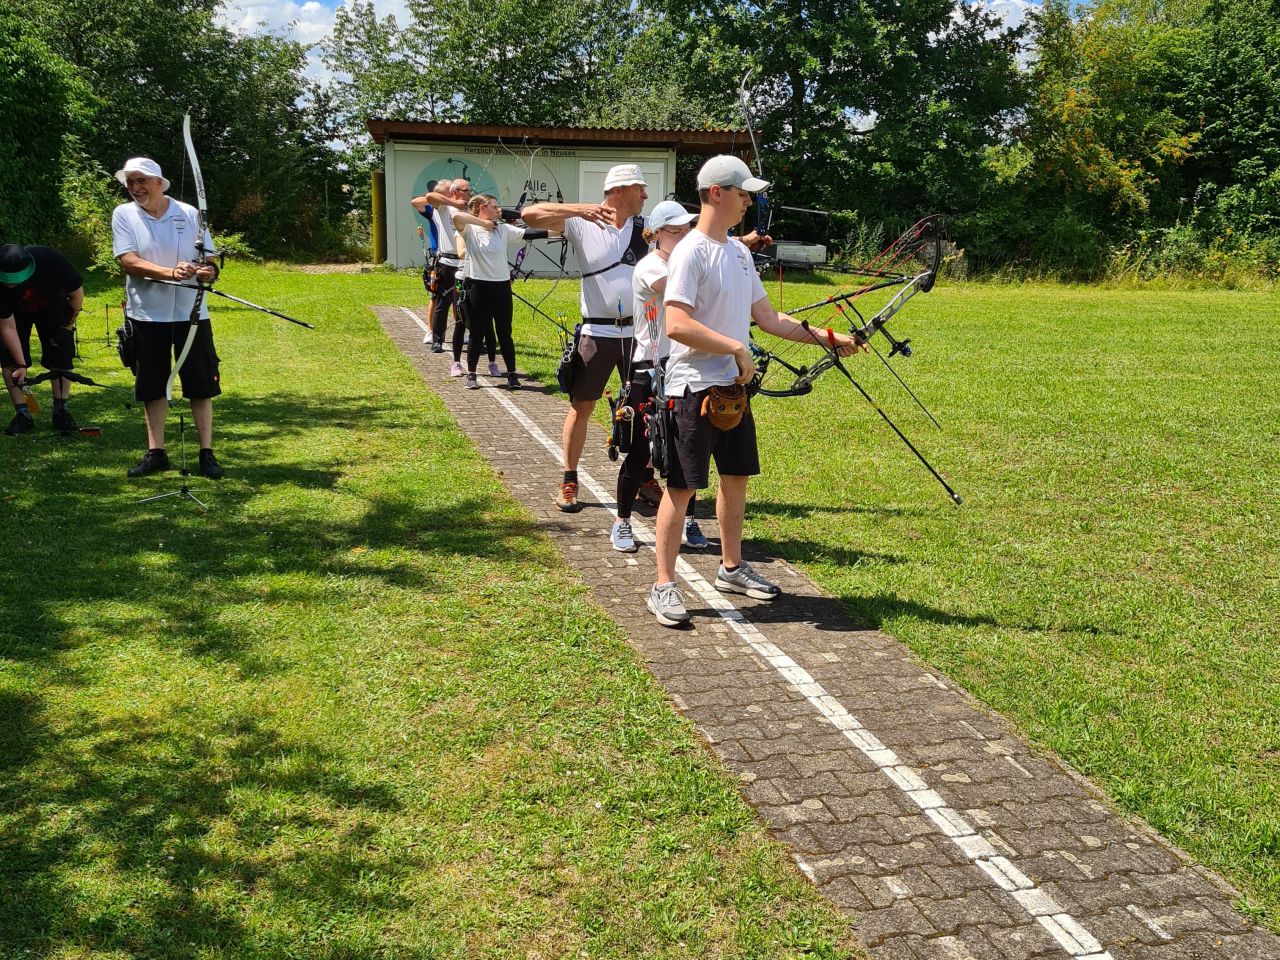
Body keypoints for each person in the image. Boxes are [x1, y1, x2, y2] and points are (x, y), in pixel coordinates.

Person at [647, 155, 864, 627]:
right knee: (682, 488)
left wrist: (830, 338)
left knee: (736, 478)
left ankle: (731, 568)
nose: (749, 201)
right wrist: (735, 348)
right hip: (693, 389)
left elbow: (768, 319)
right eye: (743, 193)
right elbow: (677, 323)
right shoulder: (690, 251)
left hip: (733, 389)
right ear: (717, 193)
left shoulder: (738, 253)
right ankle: (663, 584)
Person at [522, 163, 650, 513]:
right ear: (619, 191)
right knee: (582, 407)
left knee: (645, 409)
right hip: (597, 333)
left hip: (639, 333)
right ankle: (569, 479)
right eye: (639, 188)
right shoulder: (580, 222)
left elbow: (687, 240)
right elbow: (530, 214)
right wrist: (580, 210)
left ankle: (645, 477)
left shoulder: (645, 227)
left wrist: (742, 243)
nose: (645, 195)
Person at [111, 156, 223, 479]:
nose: (135, 188)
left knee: (201, 385)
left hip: (192, 314)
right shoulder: (124, 214)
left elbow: (210, 259)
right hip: (147, 315)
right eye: (130, 182)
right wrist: (170, 272)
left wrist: (208, 271)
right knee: (152, 386)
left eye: (141, 181)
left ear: (159, 183)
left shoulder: (189, 213)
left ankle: (206, 453)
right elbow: (129, 261)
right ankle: (156, 453)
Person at [611, 200, 707, 553]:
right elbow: (681, 286)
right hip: (649, 368)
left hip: (683, 365)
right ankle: (622, 521)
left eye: (687, 231)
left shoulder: (685, 262)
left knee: (687, 449)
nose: (683, 236)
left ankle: (688, 519)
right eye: (676, 231)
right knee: (640, 451)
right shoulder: (650, 266)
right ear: (655, 234)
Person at [452, 194, 549, 389]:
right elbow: (457, 217)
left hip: (501, 288)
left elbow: (529, 233)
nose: (499, 211)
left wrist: (561, 231)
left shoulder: (503, 229)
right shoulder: (470, 229)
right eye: (494, 207)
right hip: (477, 287)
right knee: (477, 333)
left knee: (505, 333)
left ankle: (512, 374)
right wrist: (483, 223)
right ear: (482, 207)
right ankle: (471, 374)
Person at [412, 179, 497, 374]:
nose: (468, 193)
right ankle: (437, 340)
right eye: (465, 190)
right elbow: (427, 197)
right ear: (455, 191)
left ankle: (476, 339)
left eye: (469, 190)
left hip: (468, 262)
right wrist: (454, 203)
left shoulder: (471, 208)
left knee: (471, 304)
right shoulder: (443, 206)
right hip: (447, 262)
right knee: (443, 302)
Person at [0, 244, 84, 436]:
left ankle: (61, 410)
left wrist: (66, 327)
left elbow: (77, 294)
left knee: (61, 353)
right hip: (15, 314)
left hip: (53, 307)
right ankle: (23, 413)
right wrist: (21, 364)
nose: (12, 285)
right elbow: (7, 327)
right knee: (9, 358)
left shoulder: (50, 259)